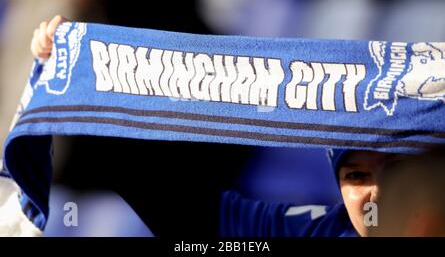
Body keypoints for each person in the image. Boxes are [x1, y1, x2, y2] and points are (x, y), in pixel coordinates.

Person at [30, 15, 428, 237]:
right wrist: (82, 90)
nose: (374, 194)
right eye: (355, 174)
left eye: (393, 168)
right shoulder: (325, 232)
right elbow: (203, 221)